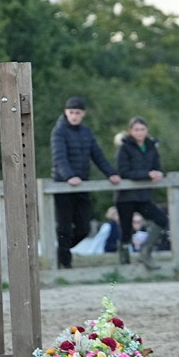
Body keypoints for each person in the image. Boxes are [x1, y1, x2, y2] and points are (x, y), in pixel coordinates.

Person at [50, 96, 120, 269]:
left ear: (83, 114)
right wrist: (68, 177)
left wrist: (111, 173)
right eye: (71, 112)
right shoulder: (58, 132)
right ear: (66, 112)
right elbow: (60, 158)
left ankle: (61, 251)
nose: (74, 116)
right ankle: (64, 263)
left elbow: (97, 155)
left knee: (84, 228)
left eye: (77, 113)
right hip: (63, 185)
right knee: (64, 227)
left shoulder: (86, 132)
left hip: (82, 185)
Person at [114, 116, 168, 270]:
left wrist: (158, 173)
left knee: (161, 220)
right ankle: (124, 265)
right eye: (136, 129)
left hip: (143, 196)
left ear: (147, 130)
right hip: (126, 197)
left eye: (142, 129)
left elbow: (157, 166)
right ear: (130, 131)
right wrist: (147, 174)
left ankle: (145, 251)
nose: (139, 132)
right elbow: (123, 171)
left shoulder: (152, 147)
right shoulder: (124, 148)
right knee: (126, 232)